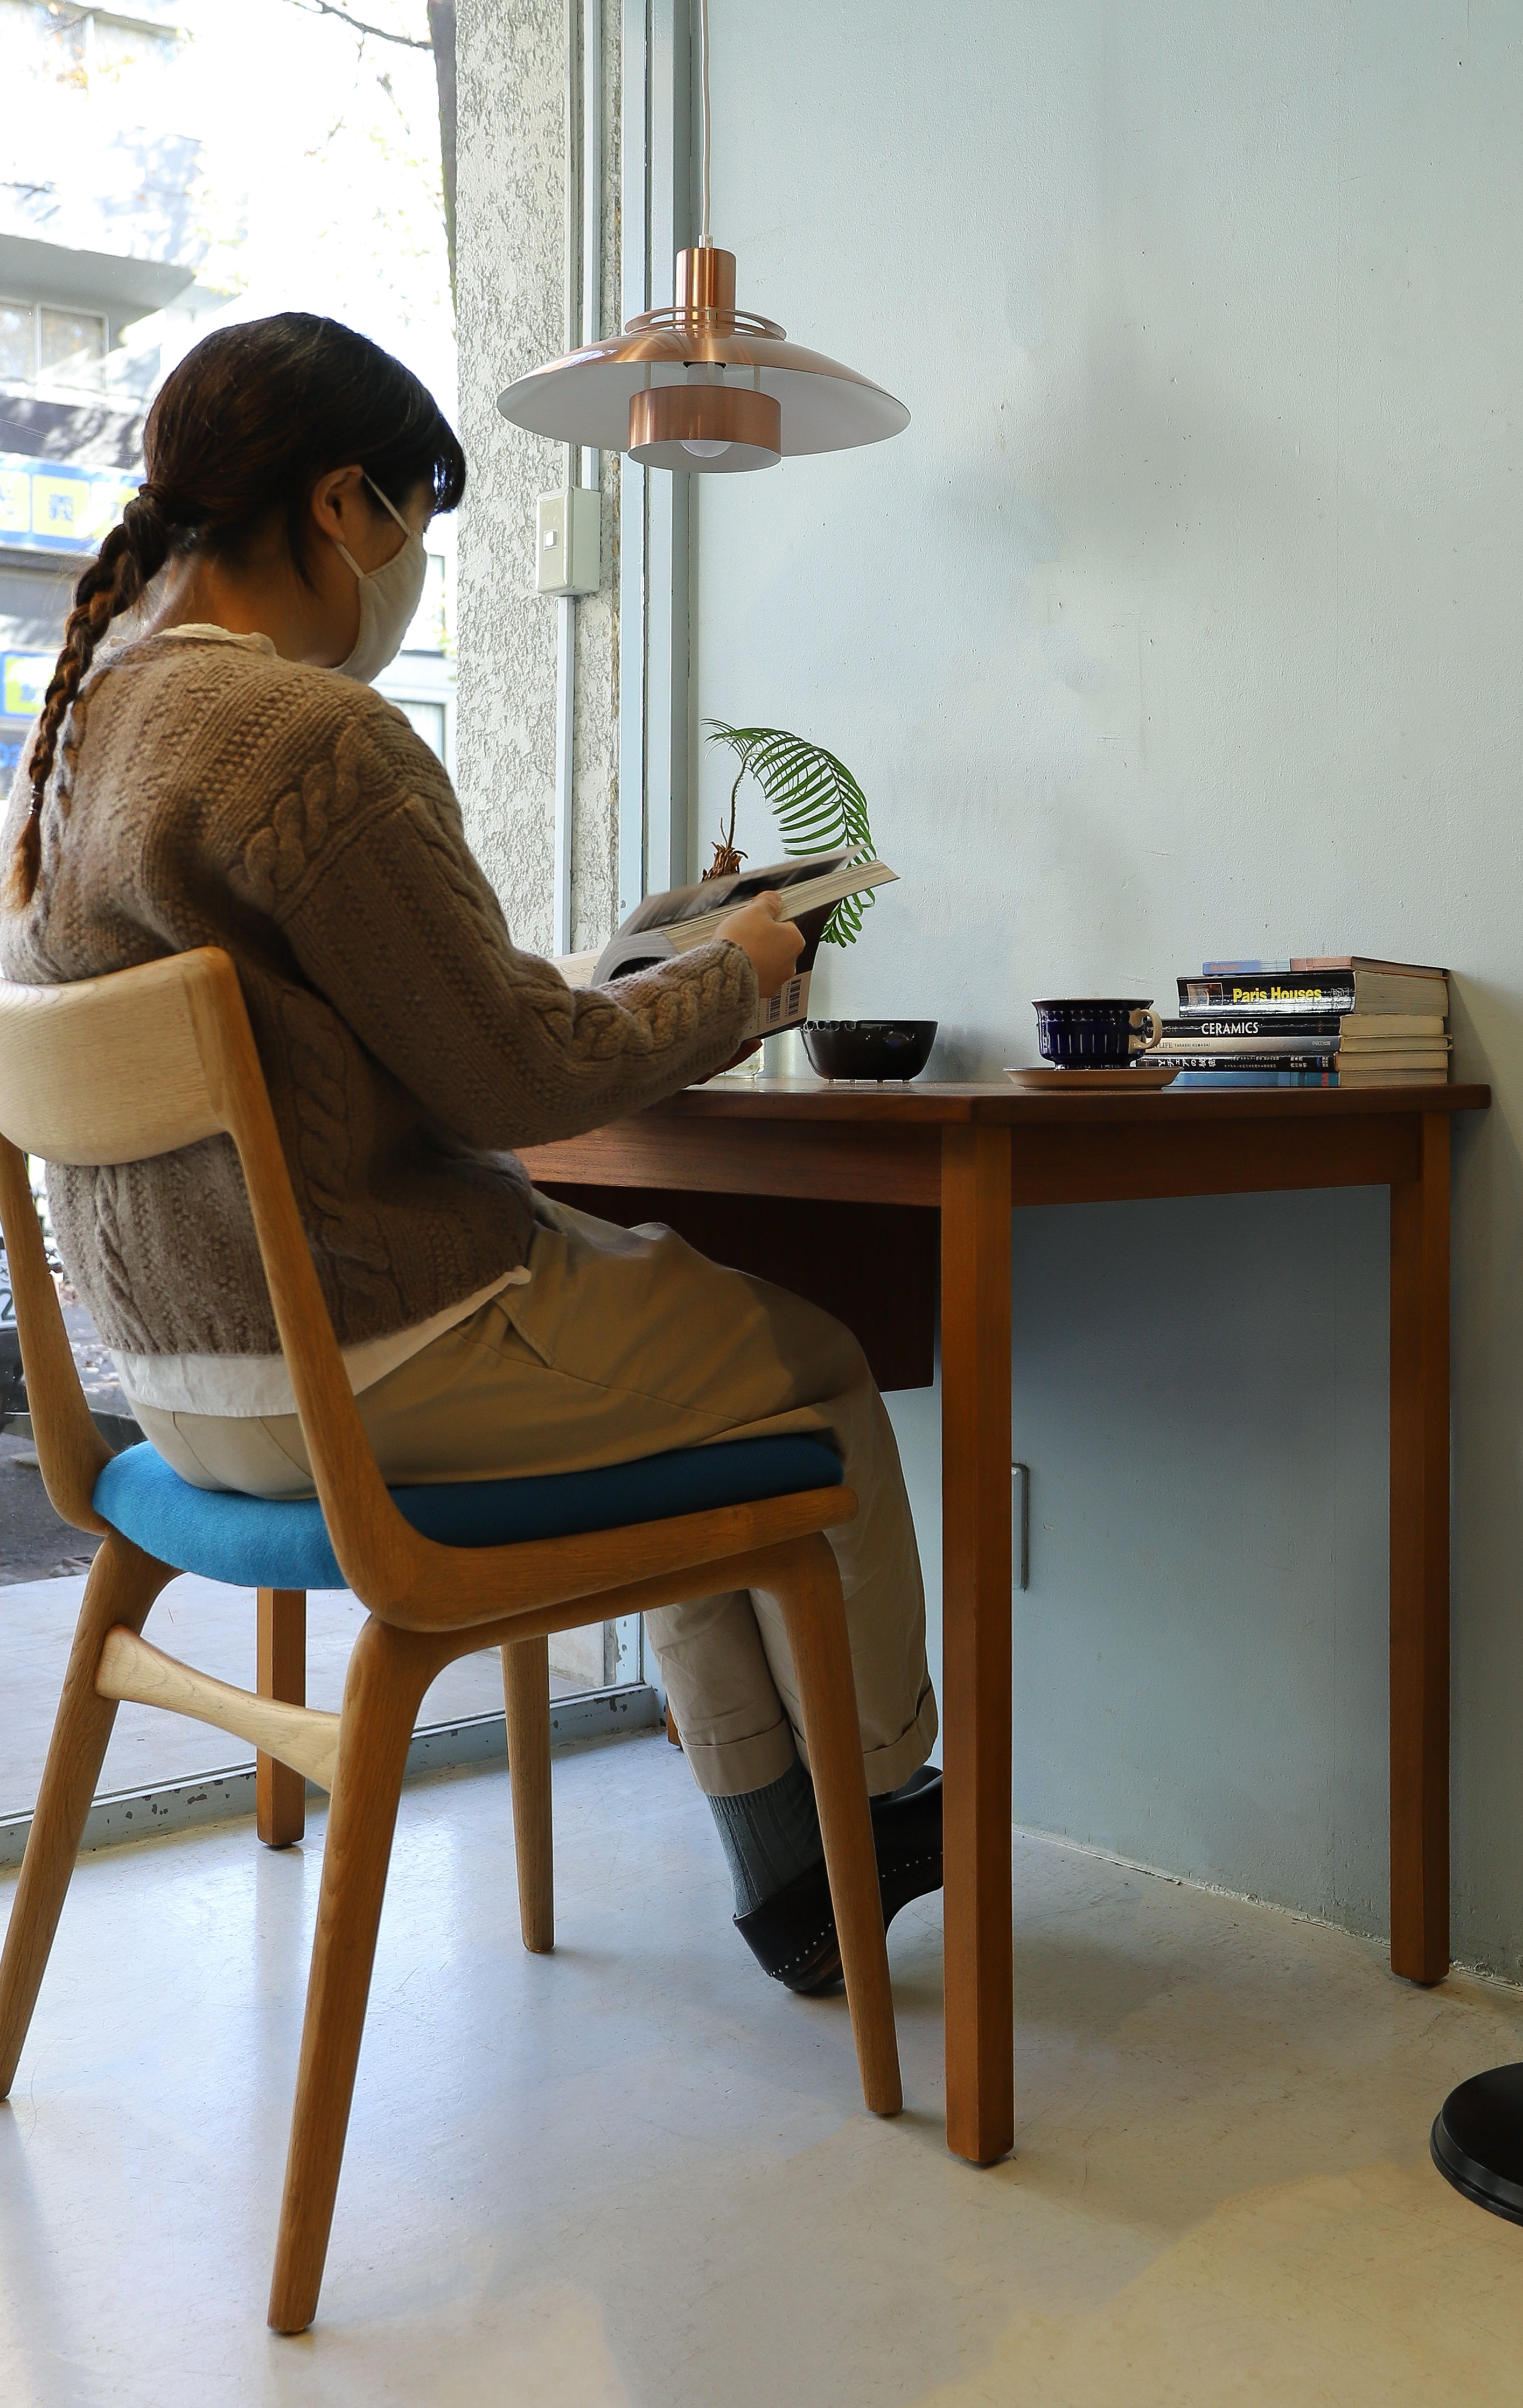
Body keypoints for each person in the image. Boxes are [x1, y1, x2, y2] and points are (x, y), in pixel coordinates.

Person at [0, 313, 939, 1992]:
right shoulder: (309, 737)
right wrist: (745, 974)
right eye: (421, 529)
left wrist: (616, 969)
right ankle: (870, 1813)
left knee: (687, 1357)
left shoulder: (80, 740)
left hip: (181, 1394)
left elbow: (386, 1027)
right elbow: (515, 1078)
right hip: (380, 1360)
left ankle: (780, 1856)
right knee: (812, 1368)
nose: (416, 571)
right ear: (346, 505)